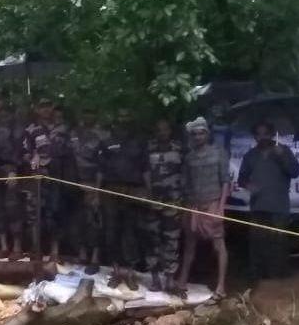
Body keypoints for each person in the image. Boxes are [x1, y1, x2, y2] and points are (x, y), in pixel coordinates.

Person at [238, 120, 299, 284]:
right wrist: (248, 185)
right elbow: (241, 179)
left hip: (279, 205)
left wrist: (282, 156)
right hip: (258, 205)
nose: (262, 137)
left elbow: (295, 172)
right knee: (257, 242)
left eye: (266, 133)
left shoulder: (283, 151)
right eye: (258, 134)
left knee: (279, 242)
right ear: (254, 136)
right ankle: (258, 277)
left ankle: (278, 278)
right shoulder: (250, 155)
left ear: (272, 134)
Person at [177, 117, 231, 298]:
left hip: (213, 203)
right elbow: (186, 183)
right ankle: (182, 280)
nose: (198, 137)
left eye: (202, 133)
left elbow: (225, 181)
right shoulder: (189, 157)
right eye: (195, 134)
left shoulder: (218, 153)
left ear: (207, 134)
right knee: (190, 245)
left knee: (218, 245)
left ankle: (221, 286)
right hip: (193, 205)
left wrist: (221, 207)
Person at [98, 111, 148, 290]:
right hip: (110, 191)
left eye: (126, 118)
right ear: (115, 122)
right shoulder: (106, 143)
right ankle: (116, 272)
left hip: (132, 191)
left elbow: (145, 169)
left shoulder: (139, 142)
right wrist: (97, 192)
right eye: (120, 119)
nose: (123, 122)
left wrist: (147, 192)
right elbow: (100, 171)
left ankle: (130, 274)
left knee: (131, 233)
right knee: (111, 233)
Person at [19, 97, 72, 260]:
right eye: (42, 107)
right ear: (36, 109)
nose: (45, 109)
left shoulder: (63, 128)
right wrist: (32, 158)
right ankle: (37, 250)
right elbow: (23, 152)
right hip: (37, 177)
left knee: (55, 214)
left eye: (48, 106)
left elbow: (70, 153)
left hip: (58, 177)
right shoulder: (31, 129)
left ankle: (55, 252)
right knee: (35, 215)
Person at [144, 119, 184, 292]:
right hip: (154, 201)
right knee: (153, 239)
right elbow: (144, 171)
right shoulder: (149, 147)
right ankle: (154, 278)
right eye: (159, 130)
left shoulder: (179, 148)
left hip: (173, 201)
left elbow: (185, 173)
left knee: (171, 239)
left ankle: (169, 278)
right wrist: (148, 192)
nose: (162, 132)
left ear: (170, 130)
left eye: (165, 129)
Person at [67, 109, 108, 273]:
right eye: (85, 113)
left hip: (93, 184)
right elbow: (69, 158)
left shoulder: (102, 135)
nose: (87, 116)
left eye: (90, 113)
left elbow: (102, 165)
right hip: (74, 183)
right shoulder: (74, 133)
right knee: (78, 221)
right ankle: (82, 253)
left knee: (94, 222)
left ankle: (95, 258)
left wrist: (96, 190)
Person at [0, 93, 23, 256]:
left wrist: (14, 169)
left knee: (13, 207)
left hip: (8, 166)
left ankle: (17, 247)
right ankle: (3, 246)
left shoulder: (12, 119)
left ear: (3, 100)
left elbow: (18, 145)